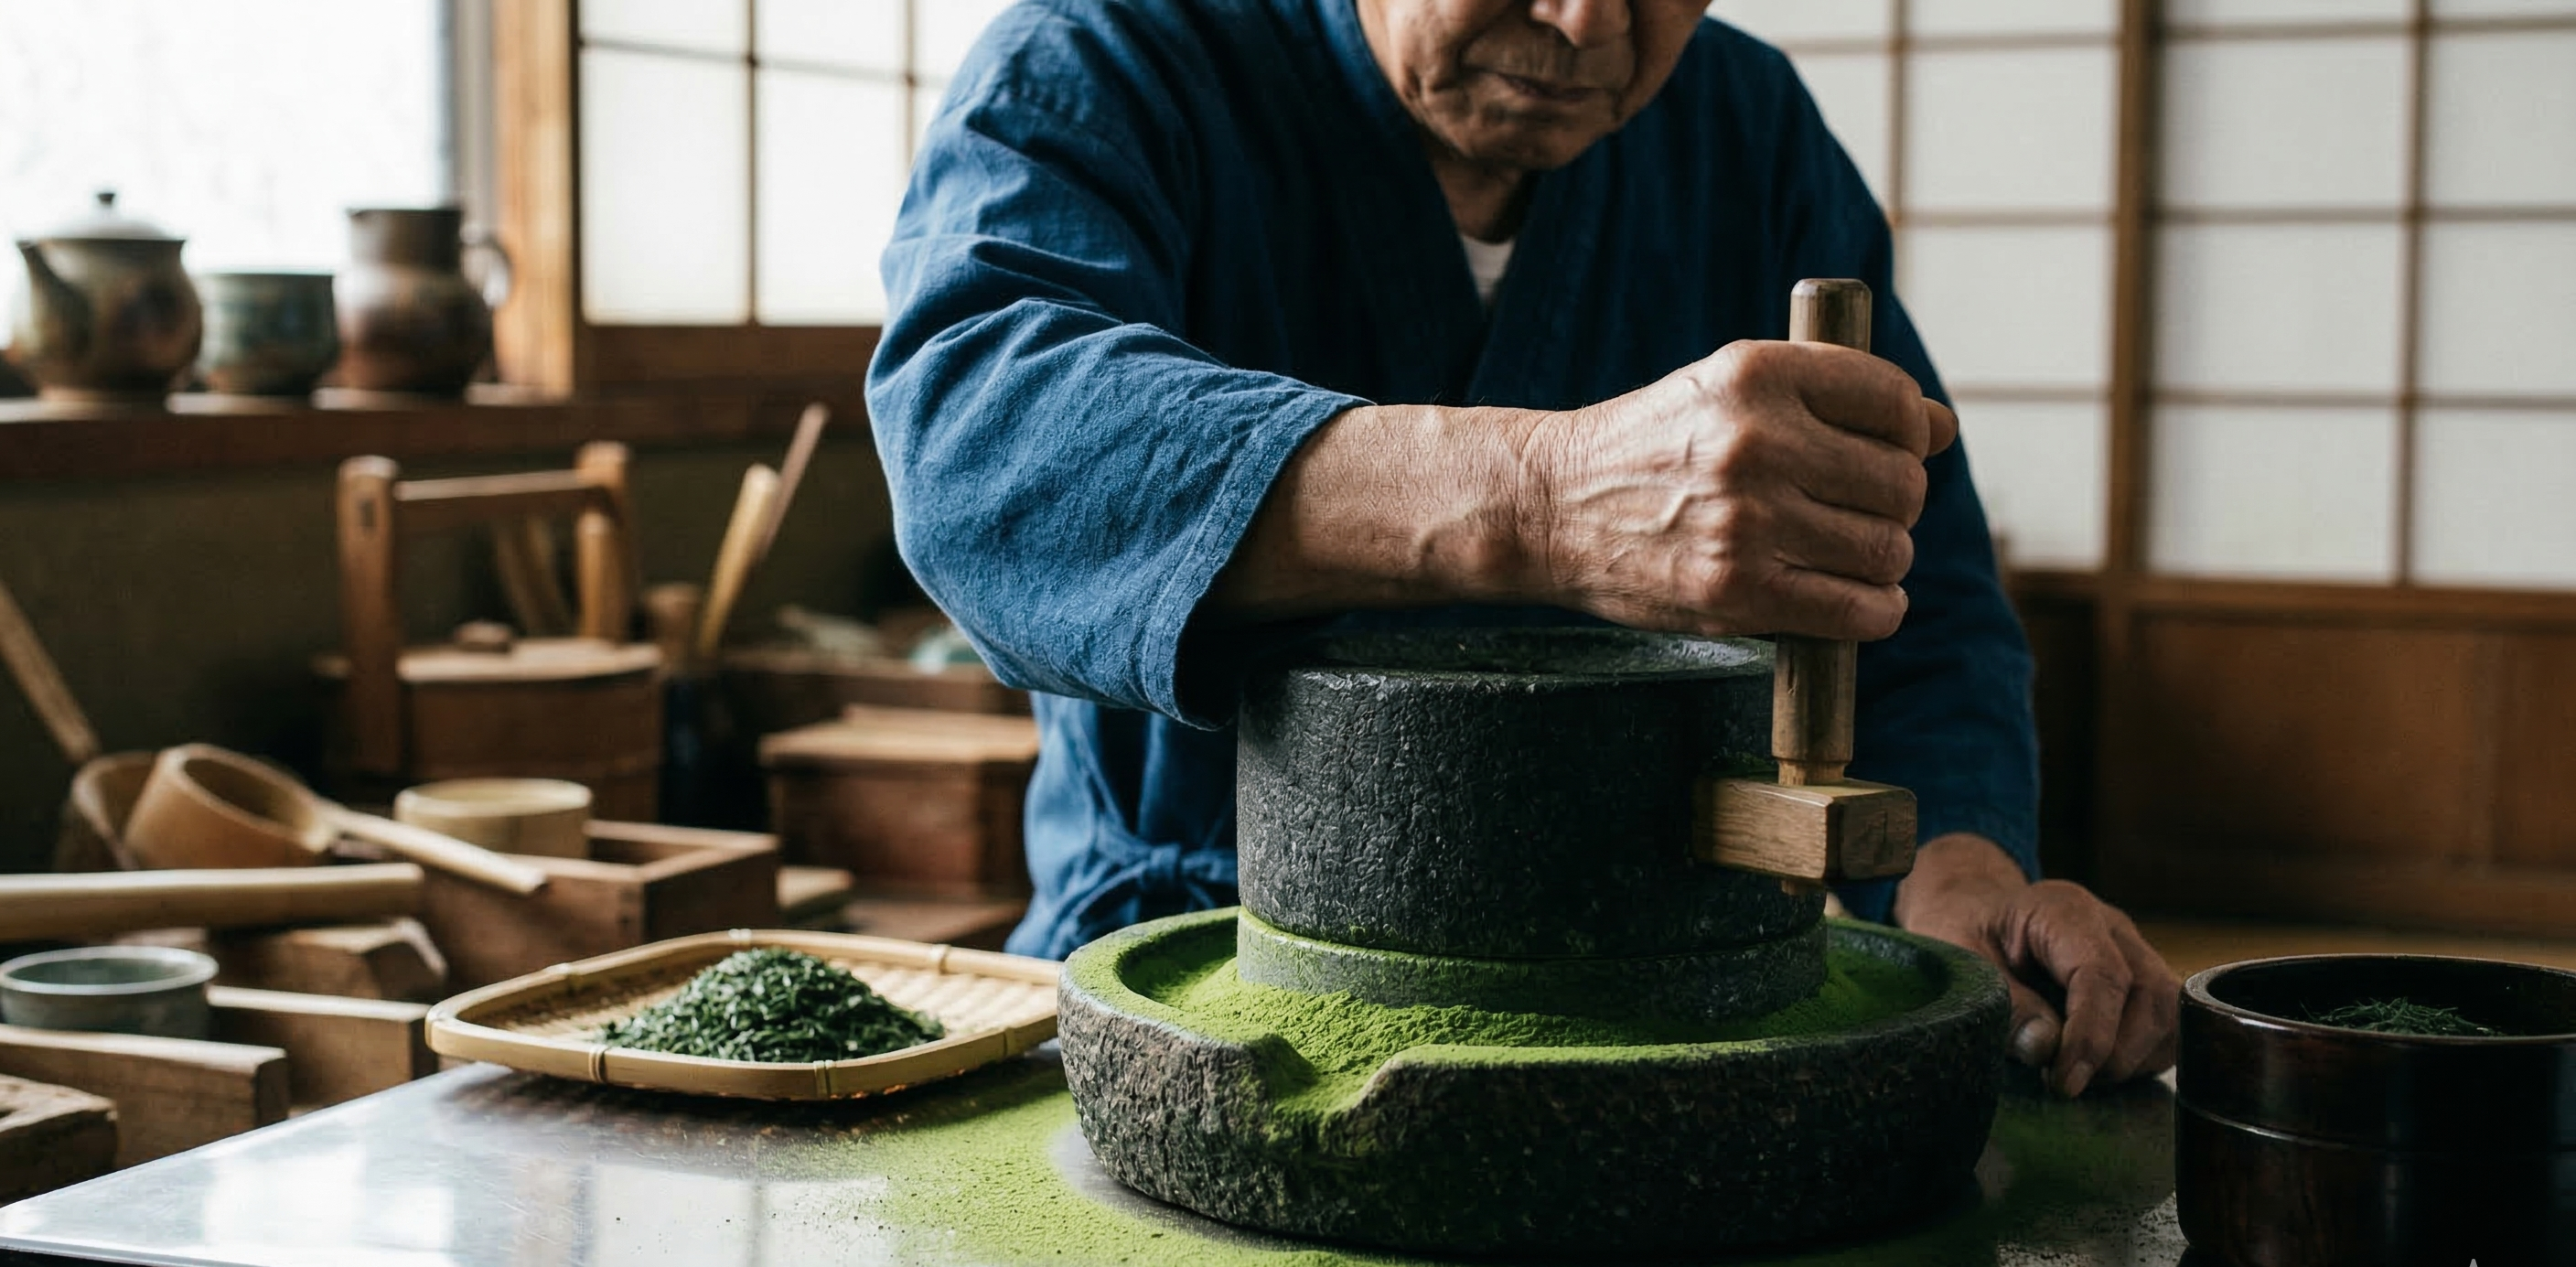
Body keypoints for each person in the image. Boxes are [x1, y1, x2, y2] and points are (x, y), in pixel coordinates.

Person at [866, 0, 2180, 1096]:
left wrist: (1960, 871)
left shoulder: (1746, 128)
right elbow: (976, 443)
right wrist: (1538, 494)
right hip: (1205, 981)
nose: (1586, 21)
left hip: (1666, 1003)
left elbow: (1910, 577)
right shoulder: (1114, 53)